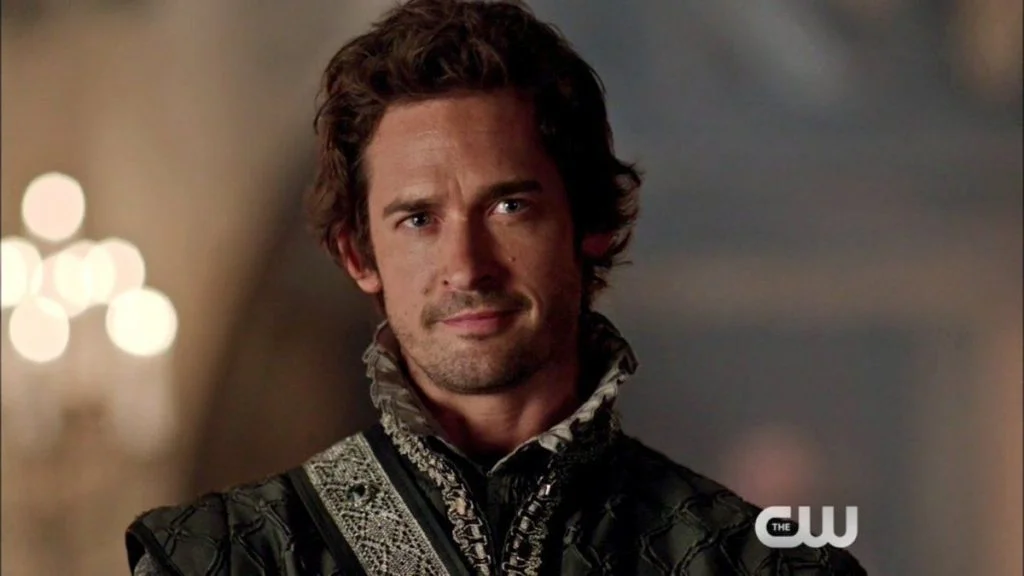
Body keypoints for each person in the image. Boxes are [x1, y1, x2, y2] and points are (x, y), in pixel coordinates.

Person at [125, 1, 867, 574]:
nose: (467, 265)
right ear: (359, 255)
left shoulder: (753, 560)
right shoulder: (223, 556)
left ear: (592, 225)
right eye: (419, 219)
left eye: (510, 207)